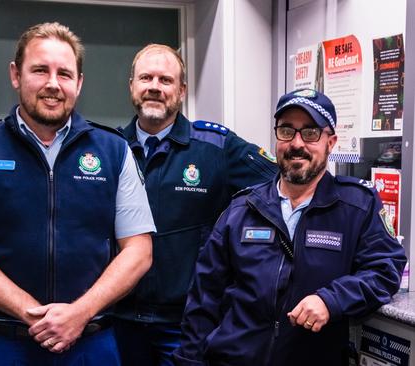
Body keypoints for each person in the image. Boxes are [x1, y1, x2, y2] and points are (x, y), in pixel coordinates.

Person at [0, 22, 155, 366]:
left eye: (64, 74)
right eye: (40, 70)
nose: (53, 84)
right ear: (15, 75)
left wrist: (79, 313)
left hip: (92, 343)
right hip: (10, 344)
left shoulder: (113, 150)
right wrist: (37, 317)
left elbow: (139, 251)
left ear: (78, 83)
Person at [174, 89, 406, 366]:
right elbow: (203, 299)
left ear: (331, 142)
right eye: (287, 131)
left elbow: (384, 270)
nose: (297, 143)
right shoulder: (243, 209)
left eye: (310, 133)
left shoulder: (357, 206)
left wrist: (331, 300)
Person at [113, 44, 277, 366]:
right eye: (146, 78)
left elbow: (285, 183)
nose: (155, 88)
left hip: (187, 325)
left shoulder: (216, 148)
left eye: (166, 80)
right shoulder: (110, 148)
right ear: (132, 84)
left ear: (182, 90)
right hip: (120, 322)